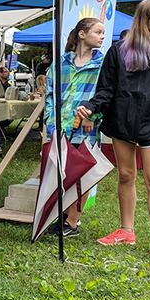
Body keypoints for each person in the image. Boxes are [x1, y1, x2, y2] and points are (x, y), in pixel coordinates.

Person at [76, 0, 150, 264]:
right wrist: (91, 107)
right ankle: (126, 231)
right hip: (122, 124)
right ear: (146, 19)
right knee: (125, 175)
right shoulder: (118, 51)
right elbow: (106, 89)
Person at [44, 17, 105, 237]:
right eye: (98, 32)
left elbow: (106, 95)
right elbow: (50, 94)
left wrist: (93, 115)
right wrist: (51, 120)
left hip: (86, 129)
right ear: (82, 34)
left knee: (82, 175)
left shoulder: (102, 65)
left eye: (102, 33)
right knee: (62, 173)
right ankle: (59, 216)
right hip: (60, 127)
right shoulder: (60, 64)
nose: (102, 36)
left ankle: (72, 221)